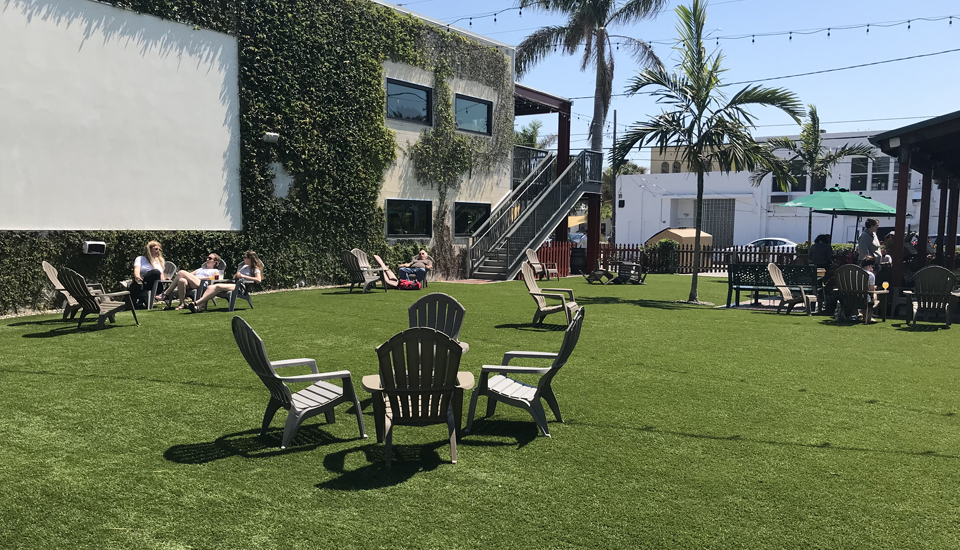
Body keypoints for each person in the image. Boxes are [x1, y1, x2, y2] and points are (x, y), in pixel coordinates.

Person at [188, 251, 263, 313]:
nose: (243, 259)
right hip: (234, 283)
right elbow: (235, 277)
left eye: (245, 257)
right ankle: (197, 308)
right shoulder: (244, 267)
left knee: (217, 286)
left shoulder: (255, 269)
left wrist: (243, 276)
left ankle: (196, 303)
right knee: (211, 287)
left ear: (250, 258)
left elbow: (258, 280)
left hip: (241, 286)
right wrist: (236, 275)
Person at [158, 253, 223, 310]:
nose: (207, 259)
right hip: (193, 283)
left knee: (181, 272)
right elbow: (188, 275)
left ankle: (166, 293)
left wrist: (200, 278)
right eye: (207, 257)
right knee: (182, 280)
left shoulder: (215, 271)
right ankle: (182, 304)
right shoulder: (200, 269)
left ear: (215, 262)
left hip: (202, 284)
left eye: (210, 258)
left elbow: (216, 278)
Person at [132, 241, 168, 307]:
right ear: (149, 249)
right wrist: (137, 277)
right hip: (143, 284)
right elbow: (136, 270)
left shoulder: (159, 262)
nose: (158, 251)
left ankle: (141, 281)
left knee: (156, 272)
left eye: (159, 250)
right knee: (139, 283)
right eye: (156, 249)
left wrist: (165, 280)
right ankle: (140, 282)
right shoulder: (140, 259)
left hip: (156, 286)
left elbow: (161, 276)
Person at [860, 255, 878, 323]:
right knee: (874, 294)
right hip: (864, 298)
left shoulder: (855, 272)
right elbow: (871, 290)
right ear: (870, 265)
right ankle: (868, 316)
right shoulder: (870, 275)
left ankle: (862, 313)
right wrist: (874, 288)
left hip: (852, 296)